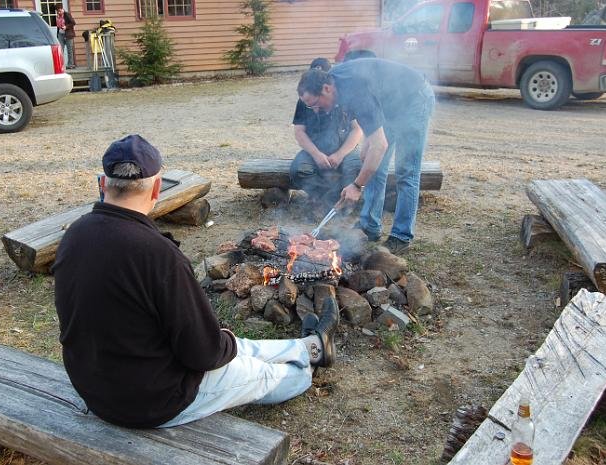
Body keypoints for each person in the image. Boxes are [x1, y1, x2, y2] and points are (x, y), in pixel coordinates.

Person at [52, 134, 339, 429]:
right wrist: (223, 342)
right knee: (271, 374)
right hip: (151, 398)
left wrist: (226, 342)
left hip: (94, 383)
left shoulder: (75, 234)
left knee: (236, 346)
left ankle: (309, 346)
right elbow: (203, 352)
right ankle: (307, 367)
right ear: (156, 190)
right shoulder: (158, 255)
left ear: (103, 185)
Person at [297, 58, 435, 253]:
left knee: (406, 171)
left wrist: (356, 185)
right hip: (387, 105)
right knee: (374, 167)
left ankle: (401, 236)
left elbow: (380, 144)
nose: (316, 111)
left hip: (413, 99)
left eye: (315, 104)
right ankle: (370, 226)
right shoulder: (337, 86)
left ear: (327, 89)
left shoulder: (354, 91)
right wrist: (367, 144)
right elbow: (371, 117)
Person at [290, 57, 363, 212]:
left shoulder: (344, 98)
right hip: (314, 150)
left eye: (314, 103)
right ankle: (325, 200)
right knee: (298, 171)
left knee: (355, 168)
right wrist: (316, 154)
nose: (314, 109)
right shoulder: (304, 100)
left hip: (345, 149)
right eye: (309, 106)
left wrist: (340, 154)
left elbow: (357, 130)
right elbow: (299, 132)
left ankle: (342, 204)